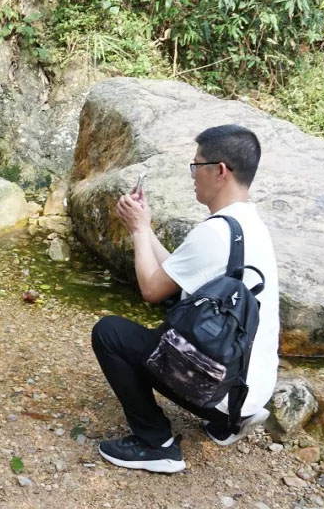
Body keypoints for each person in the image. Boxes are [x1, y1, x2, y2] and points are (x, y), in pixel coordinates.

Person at [91, 124, 279, 474]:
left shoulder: (214, 232)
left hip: (223, 394)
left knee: (110, 333)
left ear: (219, 171)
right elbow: (177, 273)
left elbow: (151, 289)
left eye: (196, 165)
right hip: (251, 389)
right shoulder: (248, 225)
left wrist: (137, 231)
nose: (192, 175)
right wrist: (146, 229)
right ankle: (227, 424)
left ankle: (155, 443)